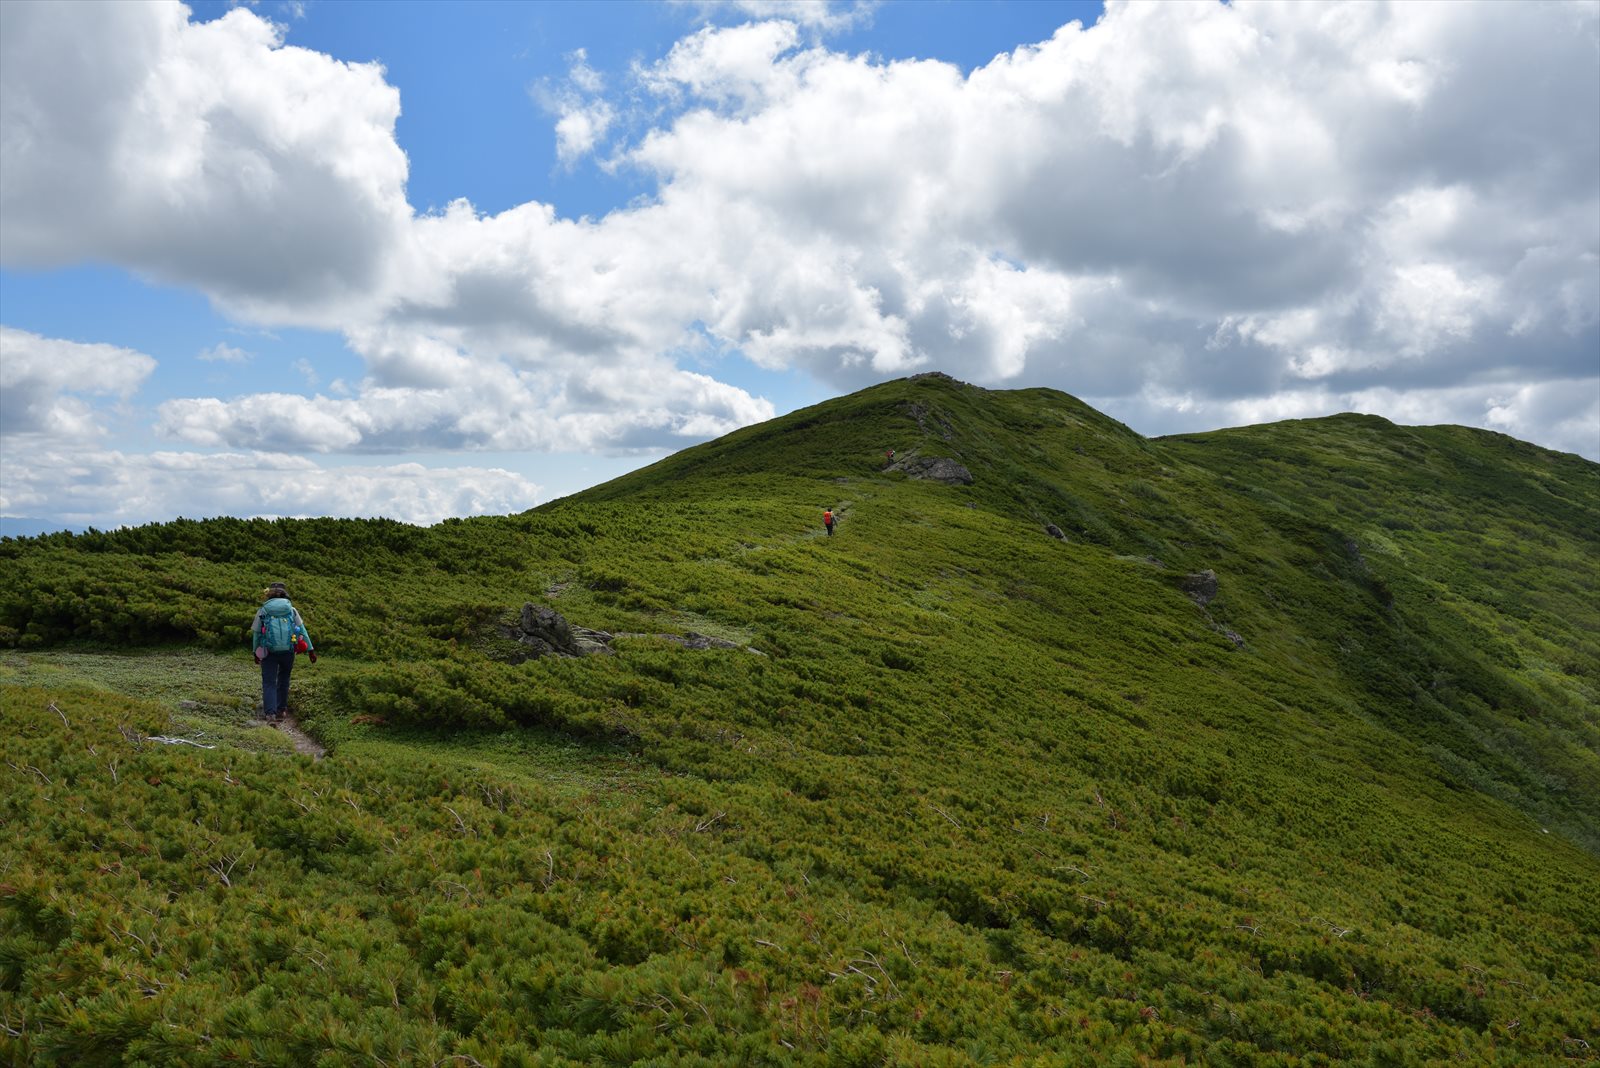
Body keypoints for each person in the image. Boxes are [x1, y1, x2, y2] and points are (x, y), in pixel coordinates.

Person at [251, 582, 315, 722]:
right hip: (288, 651)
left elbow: (256, 633)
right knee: (284, 679)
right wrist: (310, 650)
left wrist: (255, 652)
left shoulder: (263, 610)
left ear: (270, 595)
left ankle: (270, 714)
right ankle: (281, 710)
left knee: (269, 682)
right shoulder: (291, 610)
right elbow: (302, 630)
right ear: (285, 594)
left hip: (268, 651)